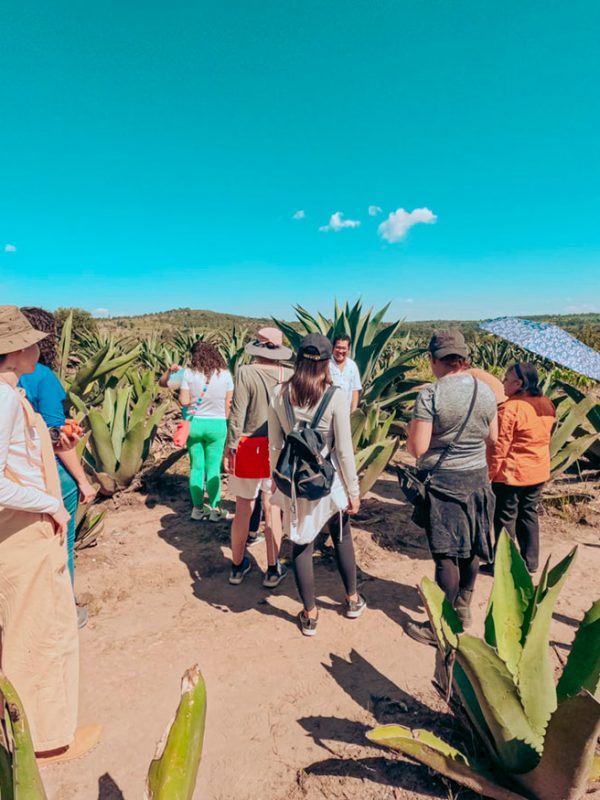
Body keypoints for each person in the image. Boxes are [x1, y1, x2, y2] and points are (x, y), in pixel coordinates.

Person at [0, 305, 101, 762]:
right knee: (37, 632)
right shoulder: (4, 399)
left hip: (22, 527)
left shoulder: (11, 392)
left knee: (30, 627)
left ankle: (38, 732)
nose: (39, 347)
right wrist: (51, 505)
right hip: (25, 528)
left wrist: (62, 444)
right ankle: (45, 741)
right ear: (17, 349)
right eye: (33, 341)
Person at [269, 333, 365, 636]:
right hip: (329, 479)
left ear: (298, 359)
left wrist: (277, 480)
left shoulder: (279, 393)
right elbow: (344, 450)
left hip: (296, 481)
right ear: (327, 363)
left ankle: (310, 614)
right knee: (341, 536)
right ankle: (352, 599)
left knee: (300, 543)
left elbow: (275, 445)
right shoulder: (335, 395)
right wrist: (353, 491)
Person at [406, 330, 498, 643]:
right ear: (463, 358)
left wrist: (411, 432)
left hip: (444, 481)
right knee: (471, 547)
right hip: (477, 478)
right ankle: (464, 608)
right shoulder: (485, 390)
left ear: (433, 360)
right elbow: (494, 438)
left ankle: (442, 626)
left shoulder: (431, 394)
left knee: (445, 554)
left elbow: (417, 448)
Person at [18, 307, 97, 628]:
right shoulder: (42, 376)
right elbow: (55, 437)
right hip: (49, 474)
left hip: (16, 476)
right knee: (60, 543)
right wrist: (83, 480)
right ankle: (63, 610)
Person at [224, 327, 292, 587]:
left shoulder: (245, 372)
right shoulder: (290, 374)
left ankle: (237, 566)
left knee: (243, 507)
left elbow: (237, 413)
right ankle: (273, 569)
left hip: (247, 444)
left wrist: (230, 447)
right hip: (277, 448)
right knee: (272, 507)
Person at [489, 363, 556, 573]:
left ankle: (505, 565)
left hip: (513, 473)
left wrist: (490, 474)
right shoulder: (547, 403)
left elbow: (500, 446)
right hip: (538, 470)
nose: (503, 383)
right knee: (528, 513)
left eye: (507, 379)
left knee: (505, 517)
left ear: (519, 383)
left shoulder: (511, 408)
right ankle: (531, 562)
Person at [178, 341, 233, 522]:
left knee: (196, 467)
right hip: (217, 424)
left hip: (195, 424)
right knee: (213, 468)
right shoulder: (225, 375)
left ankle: (197, 509)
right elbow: (228, 406)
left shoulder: (188, 374)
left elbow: (184, 402)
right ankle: (215, 509)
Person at [329, 334, 362, 412]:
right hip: (328, 411)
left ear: (348, 349)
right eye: (338, 347)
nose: (340, 351)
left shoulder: (352, 365)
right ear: (332, 347)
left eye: (344, 348)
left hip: (345, 411)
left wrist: (353, 411)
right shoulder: (325, 364)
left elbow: (355, 390)